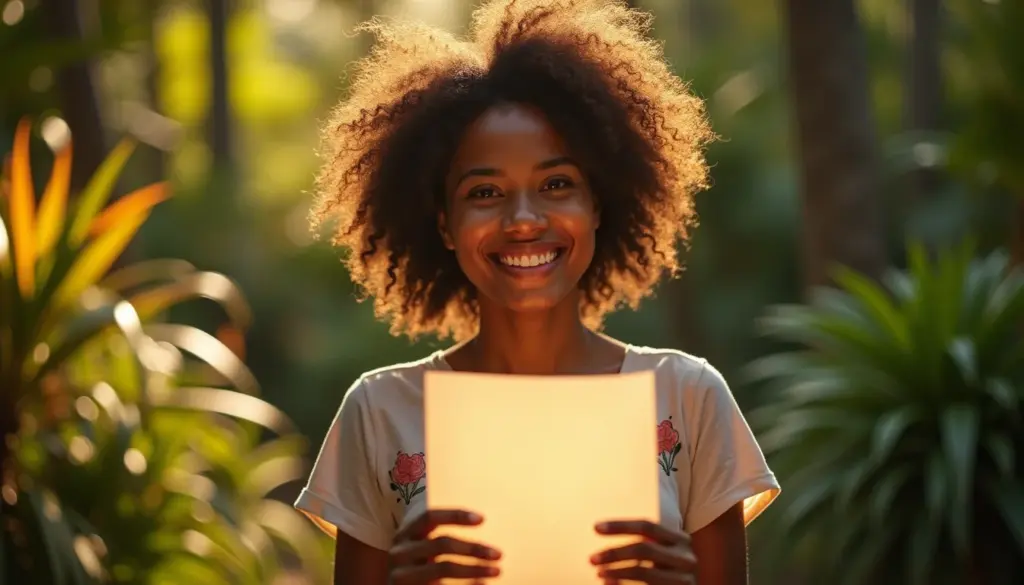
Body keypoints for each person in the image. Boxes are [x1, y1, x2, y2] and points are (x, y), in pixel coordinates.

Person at [294, 0, 780, 583]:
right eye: (484, 193)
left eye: (556, 184)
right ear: (445, 225)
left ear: (597, 204)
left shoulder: (689, 397)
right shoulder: (378, 411)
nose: (524, 220)